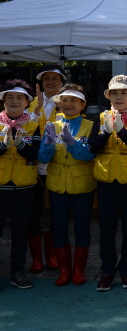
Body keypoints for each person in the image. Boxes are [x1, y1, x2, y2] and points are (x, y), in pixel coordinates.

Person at [89, 75, 127, 292]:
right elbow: (93, 147)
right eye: (114, 93)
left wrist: (122, 131)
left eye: (124, 92)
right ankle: (107, 270)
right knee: (106, 228)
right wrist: (107, 131)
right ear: (108, 96)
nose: (119, 96)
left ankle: (126, 269)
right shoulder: (100, 117)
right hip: (106, 179)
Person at [37, 84, 96, 287]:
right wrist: (47, 144)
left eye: (73, 100)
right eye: (64, 100)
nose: (68, 104)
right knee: (59, 229)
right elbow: (43, 158)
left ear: (82, 105)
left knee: (82, 229)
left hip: (83, 184)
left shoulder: (91, 126)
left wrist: (73, 143)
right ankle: (64, 271)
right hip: (57, 184)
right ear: (59, 104)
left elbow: (89, 155)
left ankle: (78, 271)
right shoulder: (52, 124)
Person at [0, 79, 40, 289]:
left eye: (19, 98)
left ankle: (17, 272)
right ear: (3, 101)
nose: (14, 101)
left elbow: (36, 154)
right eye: (10, 97)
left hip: (24, 187)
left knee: (20, 233)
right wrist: (3, 146)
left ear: (27, 103)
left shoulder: (34, 125)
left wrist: (21, 145)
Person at [27, 65, 67, 273]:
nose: (50, 82)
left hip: (58, 164)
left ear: (62, 82)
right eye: (46, 79)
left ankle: (52, 256)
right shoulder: (30, 102)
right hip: (33, 164)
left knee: (55, 213)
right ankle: (36, 259)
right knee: (33, 212)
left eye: (55, 79)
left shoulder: (68, 102)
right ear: (40, 83)